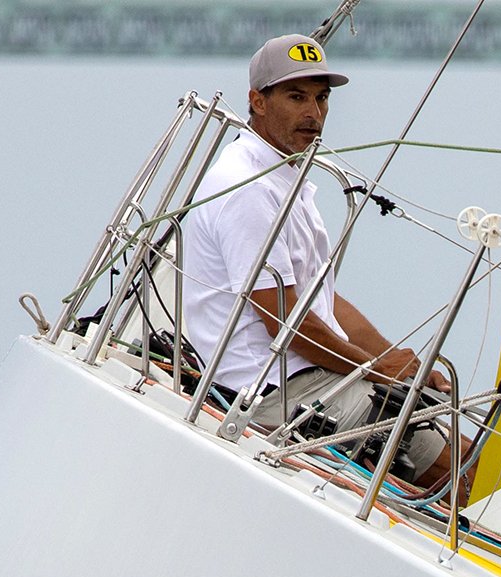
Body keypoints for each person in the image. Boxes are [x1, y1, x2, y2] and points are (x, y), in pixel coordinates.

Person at [181, 37, 466, 493]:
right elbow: (285, 323)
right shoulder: (248, 186)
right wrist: (375, 369)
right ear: (258, 101)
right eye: (296, 97)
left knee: (459, 443)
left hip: (304, 374)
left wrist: (392, 359)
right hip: (268, 388)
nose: (313, 113)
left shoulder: (282, 175)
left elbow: (322, 298)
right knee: (461, 467)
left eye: (322, 98)